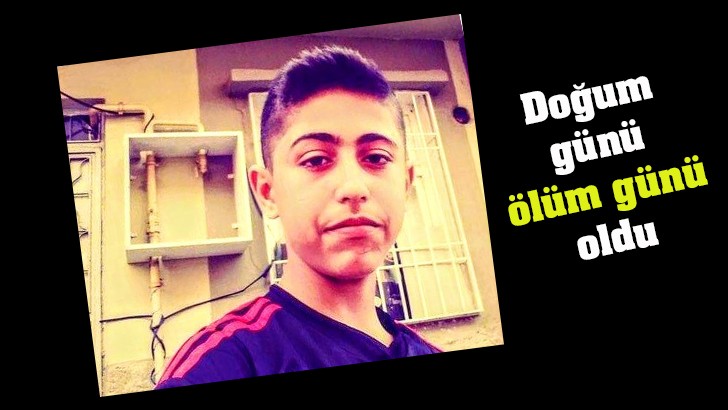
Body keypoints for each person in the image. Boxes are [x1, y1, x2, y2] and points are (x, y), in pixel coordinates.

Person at [154, 44, 442, 390]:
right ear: (267, 191)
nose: (354, 187)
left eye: (376, 158)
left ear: (406, 183)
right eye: (316, 160)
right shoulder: (222, 363)